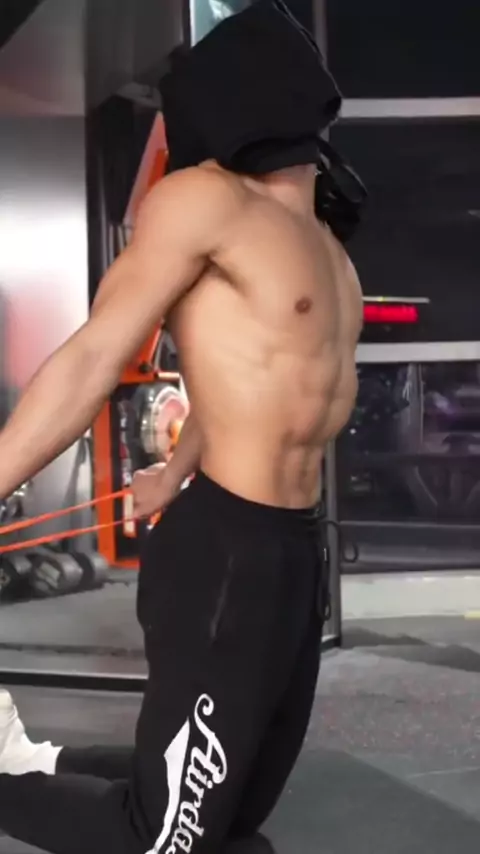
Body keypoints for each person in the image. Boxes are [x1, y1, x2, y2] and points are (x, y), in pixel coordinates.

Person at [0, 2, 364, 853]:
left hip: (294, 549)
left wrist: (171, 468)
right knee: (169, 838)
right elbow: (95, 354)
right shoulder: (205, 201)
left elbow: (258, 384)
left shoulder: (325, 242)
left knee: (231, 816)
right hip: (226, 550)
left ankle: (32, 763)